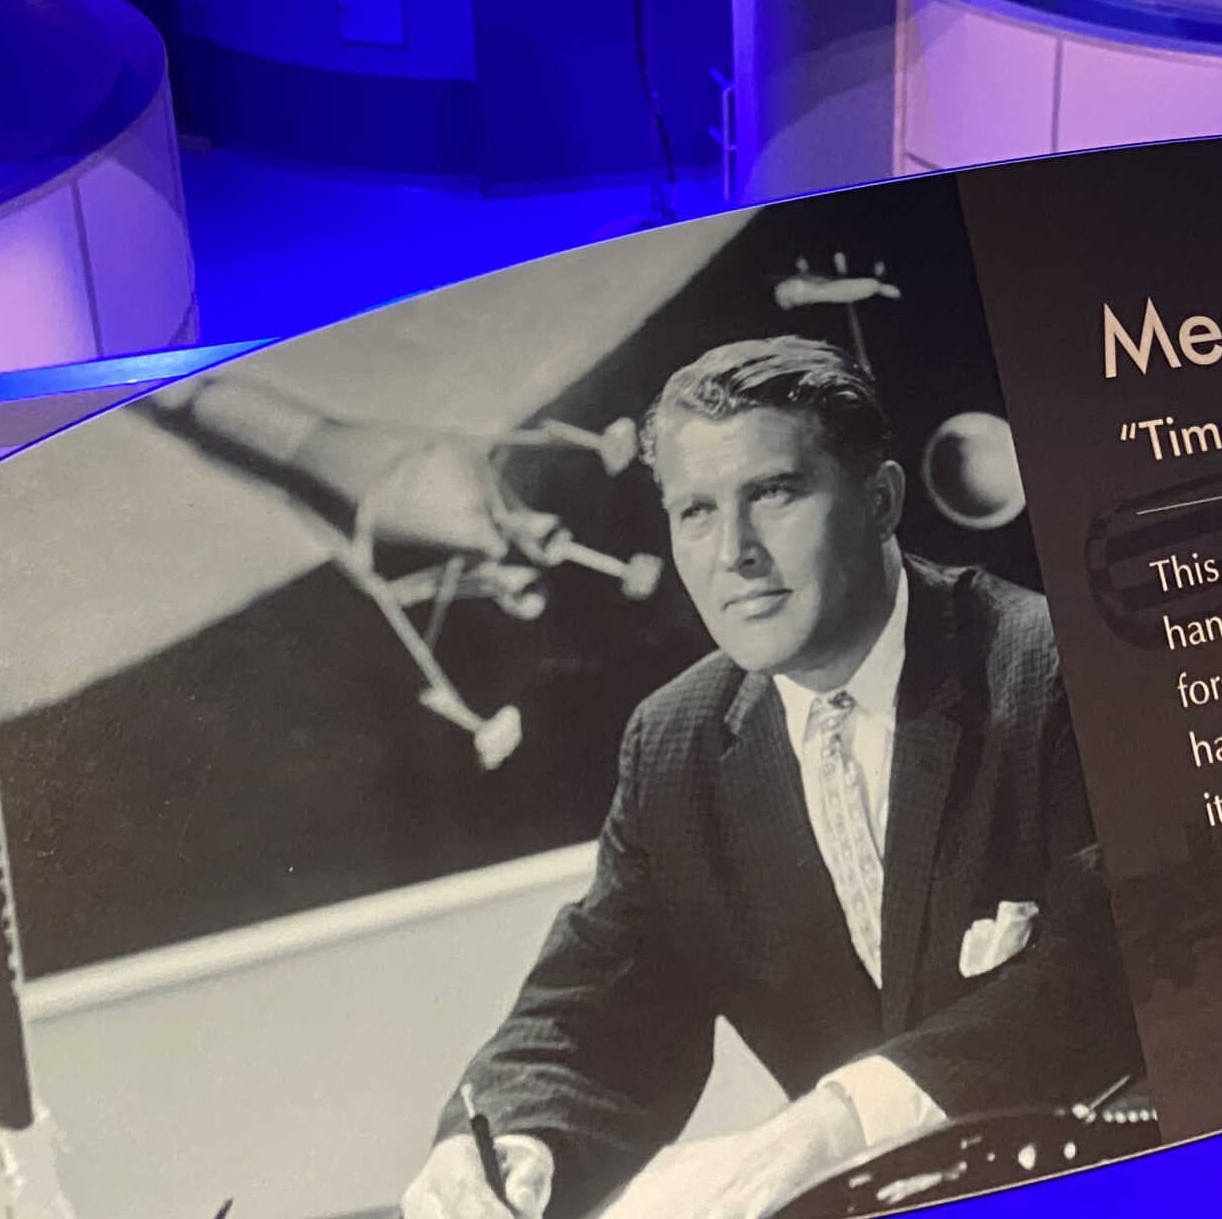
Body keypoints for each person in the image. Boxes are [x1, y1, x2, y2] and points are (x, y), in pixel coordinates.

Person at [401, 337, 1139, 1219]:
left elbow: (1117, 962)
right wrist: (508, 1143)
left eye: (774, 493)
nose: (734, 553)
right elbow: (597, 1012)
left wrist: (836, 1125)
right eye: (695, 512)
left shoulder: (1054, 668)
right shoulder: (674, 743)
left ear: (880, 501)